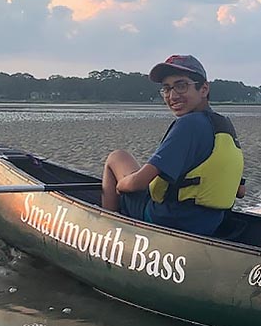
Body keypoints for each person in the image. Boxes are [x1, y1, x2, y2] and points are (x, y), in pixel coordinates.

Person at [101, 54, 245, 236]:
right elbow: (240, 191)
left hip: (169, 221)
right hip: (209, 224)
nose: (173, 95)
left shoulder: (188, 124)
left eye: (181, 86)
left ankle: (107, 232)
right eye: (167, 89)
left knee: (117, 157)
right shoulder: (223, 126)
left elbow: (138, 183)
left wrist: (121, 185)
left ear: (204, 89)